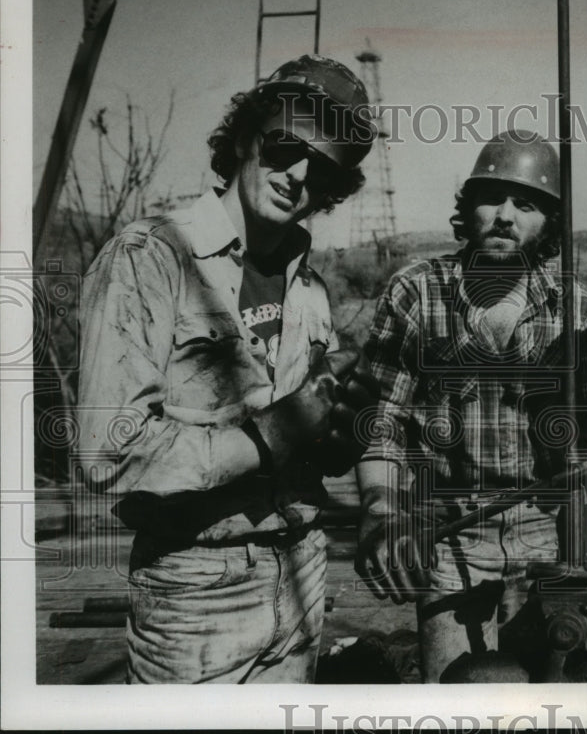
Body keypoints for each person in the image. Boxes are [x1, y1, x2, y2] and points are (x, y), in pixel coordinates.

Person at [76, 54, 379, 683]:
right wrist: (275, 432)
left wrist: (340, 435)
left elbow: (309, 449)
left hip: (302, 574)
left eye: (321, 170)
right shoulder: (149, 259)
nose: (297, 175)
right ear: (246, 137)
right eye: (284, 146)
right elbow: (109, 450)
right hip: (193, 592)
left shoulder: (312, 292)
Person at [353, 130, 587, 682]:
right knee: (456, 695)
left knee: (556, 696)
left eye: (525, 204)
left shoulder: (574, 307)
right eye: (491, 199)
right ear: (467, 208)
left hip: (553, 533)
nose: (505, 216)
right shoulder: (418, 293)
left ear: (548, 223)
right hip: (448, 530)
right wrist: (380, 513)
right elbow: (378, 425)